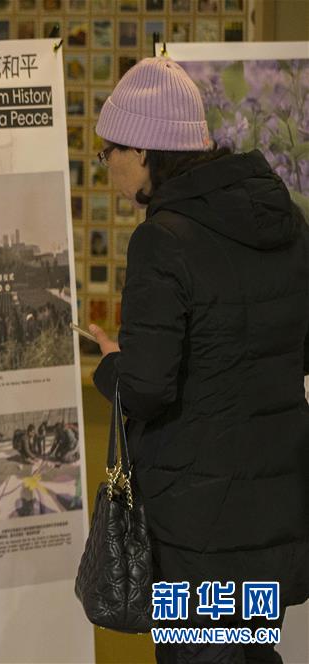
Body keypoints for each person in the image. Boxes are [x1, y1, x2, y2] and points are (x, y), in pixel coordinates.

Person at [88, 57, 309, 663]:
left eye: (109, 152)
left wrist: (111, 364)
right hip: (270, 511)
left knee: (199, 656)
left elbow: (148, 387)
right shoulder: (285, 222)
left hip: (194, 527)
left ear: (144, 150)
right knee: (250, 652)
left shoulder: (162, 239)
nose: (108, 166)